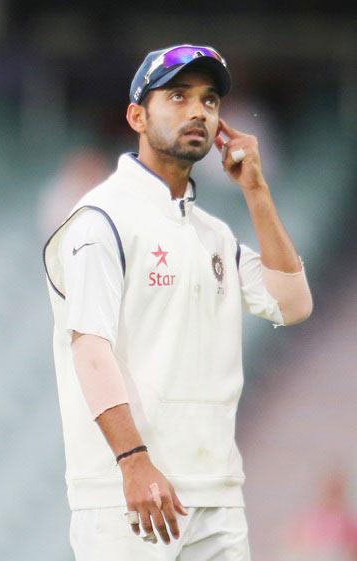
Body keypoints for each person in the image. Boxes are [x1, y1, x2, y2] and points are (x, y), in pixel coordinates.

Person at [43, 44, 313, 560]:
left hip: (216, 493)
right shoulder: (101, 219)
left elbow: (293, 303)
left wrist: (256, 191)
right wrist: (133, 461)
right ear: (137, 115)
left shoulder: (211, 234)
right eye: (178, 96)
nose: (199, 112)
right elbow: (90, 349)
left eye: (210, 102)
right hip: (132, 493)